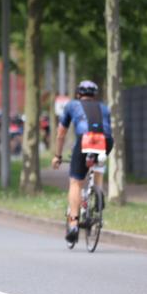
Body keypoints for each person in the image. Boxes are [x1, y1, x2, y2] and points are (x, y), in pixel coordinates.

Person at [51, 80, 113, 245]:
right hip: (106, 140)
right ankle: (98, 194)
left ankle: (73, 224)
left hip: (85, 140)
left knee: (76, 183)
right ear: (95, 95)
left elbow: (61, 134)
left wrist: (57, 155)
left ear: (78, 94)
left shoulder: (72, 105)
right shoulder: (104, 107)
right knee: (98, 164)